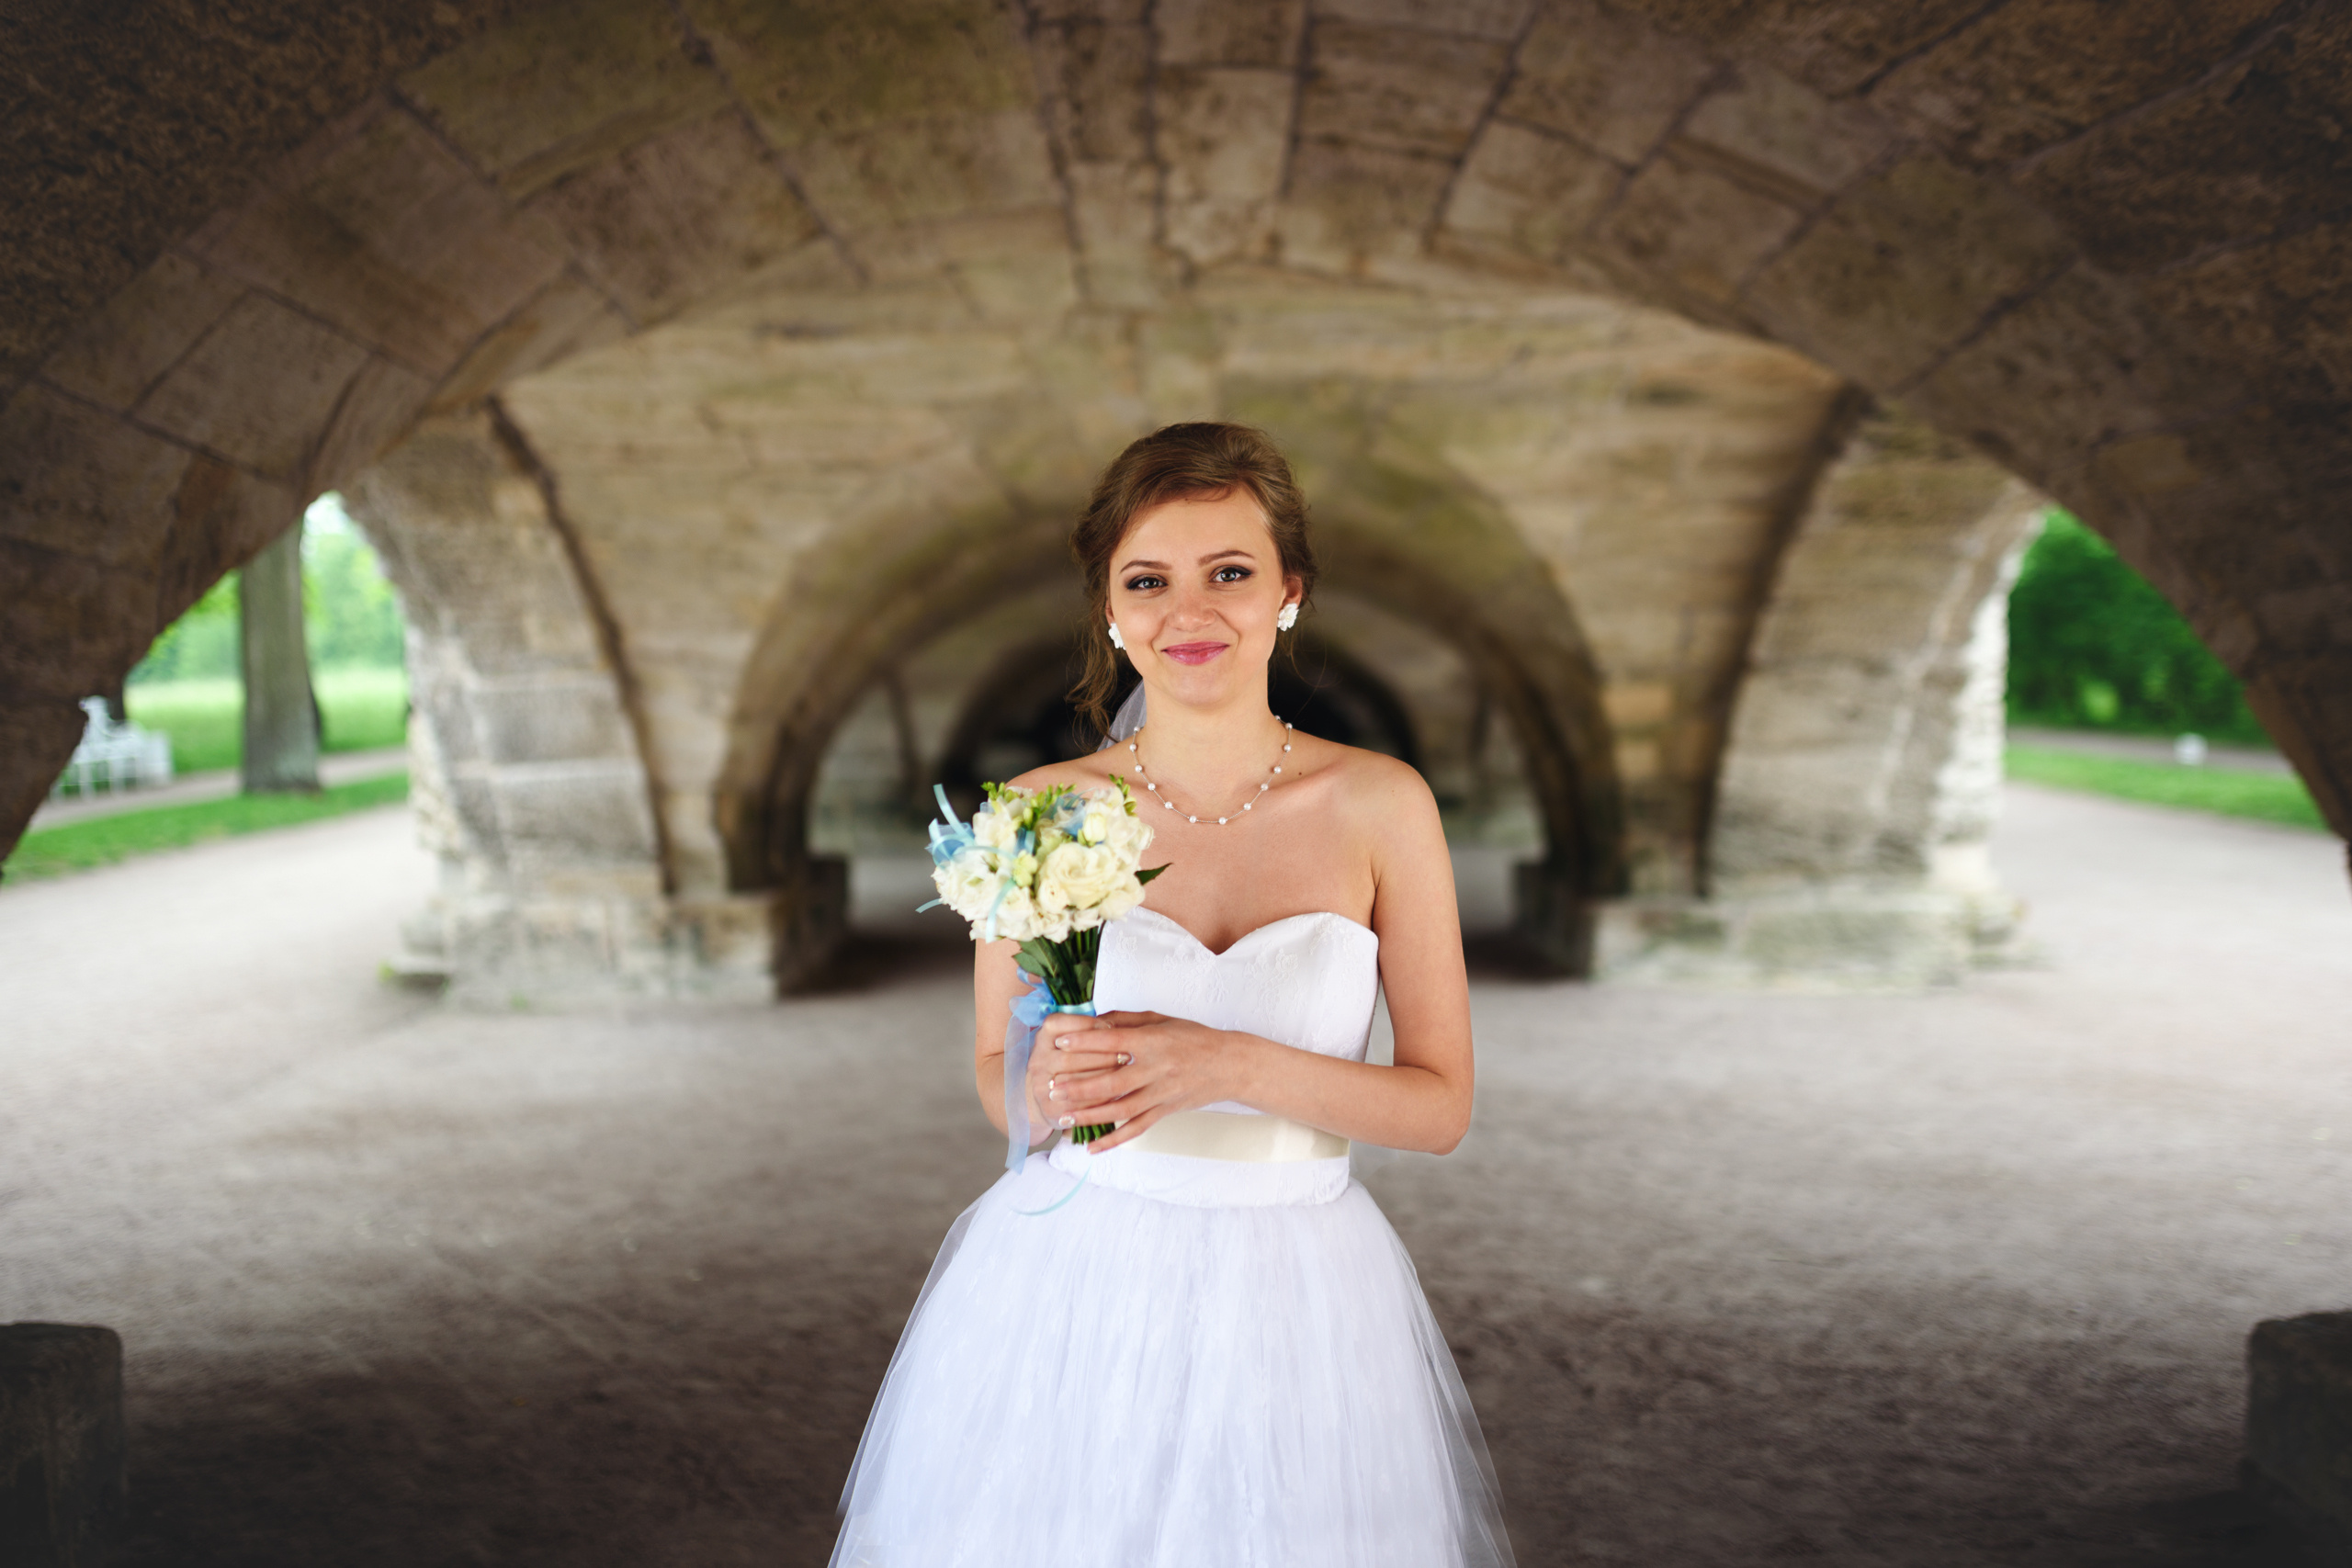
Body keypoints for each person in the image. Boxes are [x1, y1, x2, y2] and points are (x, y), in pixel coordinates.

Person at [829, 423, 1515, 1566]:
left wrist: (1228, 1063)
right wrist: (1040, 1088)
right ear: (1109, 608)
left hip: (1302, 1280)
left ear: (1288, 593)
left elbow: (1440, 1109)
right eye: (1147, 581)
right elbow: (1000, 1083)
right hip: (1076, 1278)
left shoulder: (1382, 805)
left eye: (1229, 574)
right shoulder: (1038, 811)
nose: (1187, 614)